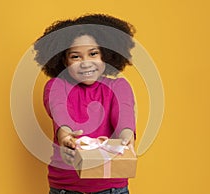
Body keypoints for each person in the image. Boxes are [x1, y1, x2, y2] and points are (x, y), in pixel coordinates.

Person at [34, 14, 137, 194]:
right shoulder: (57, 86)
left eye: (93, 53)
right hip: (66, 187)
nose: (86, 63)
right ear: (64, 60)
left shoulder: (119, 87)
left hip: (111, 187)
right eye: (76, 56)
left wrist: (127, 139)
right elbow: (61, 117)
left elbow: (124, 120)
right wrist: (66, 138)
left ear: (105, 54)